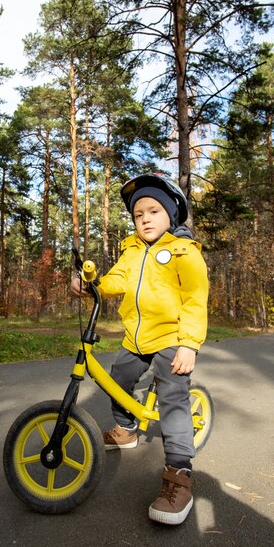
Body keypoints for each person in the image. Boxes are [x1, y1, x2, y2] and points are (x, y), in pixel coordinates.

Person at [71, 173, 209, 525]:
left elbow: (195, 300)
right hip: (136, 337)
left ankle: (179, 475)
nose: (145, 218)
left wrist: (189, 345)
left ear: (171, 215)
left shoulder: (184, 252)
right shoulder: (131, 249)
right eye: (138, 214)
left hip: (171, 339)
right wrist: (93, 284)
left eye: (153, 210)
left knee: (173, 398)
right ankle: (126, 429)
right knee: (119, 376)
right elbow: (118, 279)